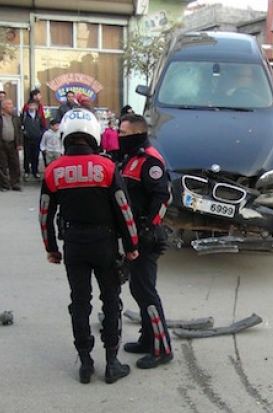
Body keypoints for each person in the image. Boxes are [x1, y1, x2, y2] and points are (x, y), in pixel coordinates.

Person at [39, 108, 139, 384]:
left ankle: (85, 363)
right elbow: (124, 210)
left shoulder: (53, 170)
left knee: (79, 302)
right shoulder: (106, 167)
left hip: (73, 244)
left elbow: (44, 213)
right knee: (111, 301)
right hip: (104, 243)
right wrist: (131, 245)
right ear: (94, 135)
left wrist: (51, 247)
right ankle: (111, 362)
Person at [118, 114, 173, 369]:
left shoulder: (151, 160)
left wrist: (149, 229)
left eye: (123, 133)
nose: (119, 137)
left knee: (147, 292)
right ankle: (147, 338)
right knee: (138, 290)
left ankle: (162, 349)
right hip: (133, 234)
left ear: (138, 134)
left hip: (145, 236)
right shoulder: (132, 158)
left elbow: (162, 197)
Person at [0, 99, 23, 191]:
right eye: (9, 104)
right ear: (3, 106)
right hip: (0, 144)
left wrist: (19, 143)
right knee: (2, 165)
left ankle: (15, 183)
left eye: (11, 104)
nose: (11, 106)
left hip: (12, 144)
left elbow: (19, 130)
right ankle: (4, 184)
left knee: (15, 164)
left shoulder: (15, 116)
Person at [21, 99, 45, 180]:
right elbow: (20, 126)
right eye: (30, 105)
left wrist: (40, 133)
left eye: (34, 105)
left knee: (36, 156)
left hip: (37, 139)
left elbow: (42, 126)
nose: (32, 107)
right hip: (27, 139)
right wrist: (24, 133)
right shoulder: (24, 116)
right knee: (27, 156)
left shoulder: (39, 116)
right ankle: (26, 171)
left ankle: (35, 171)